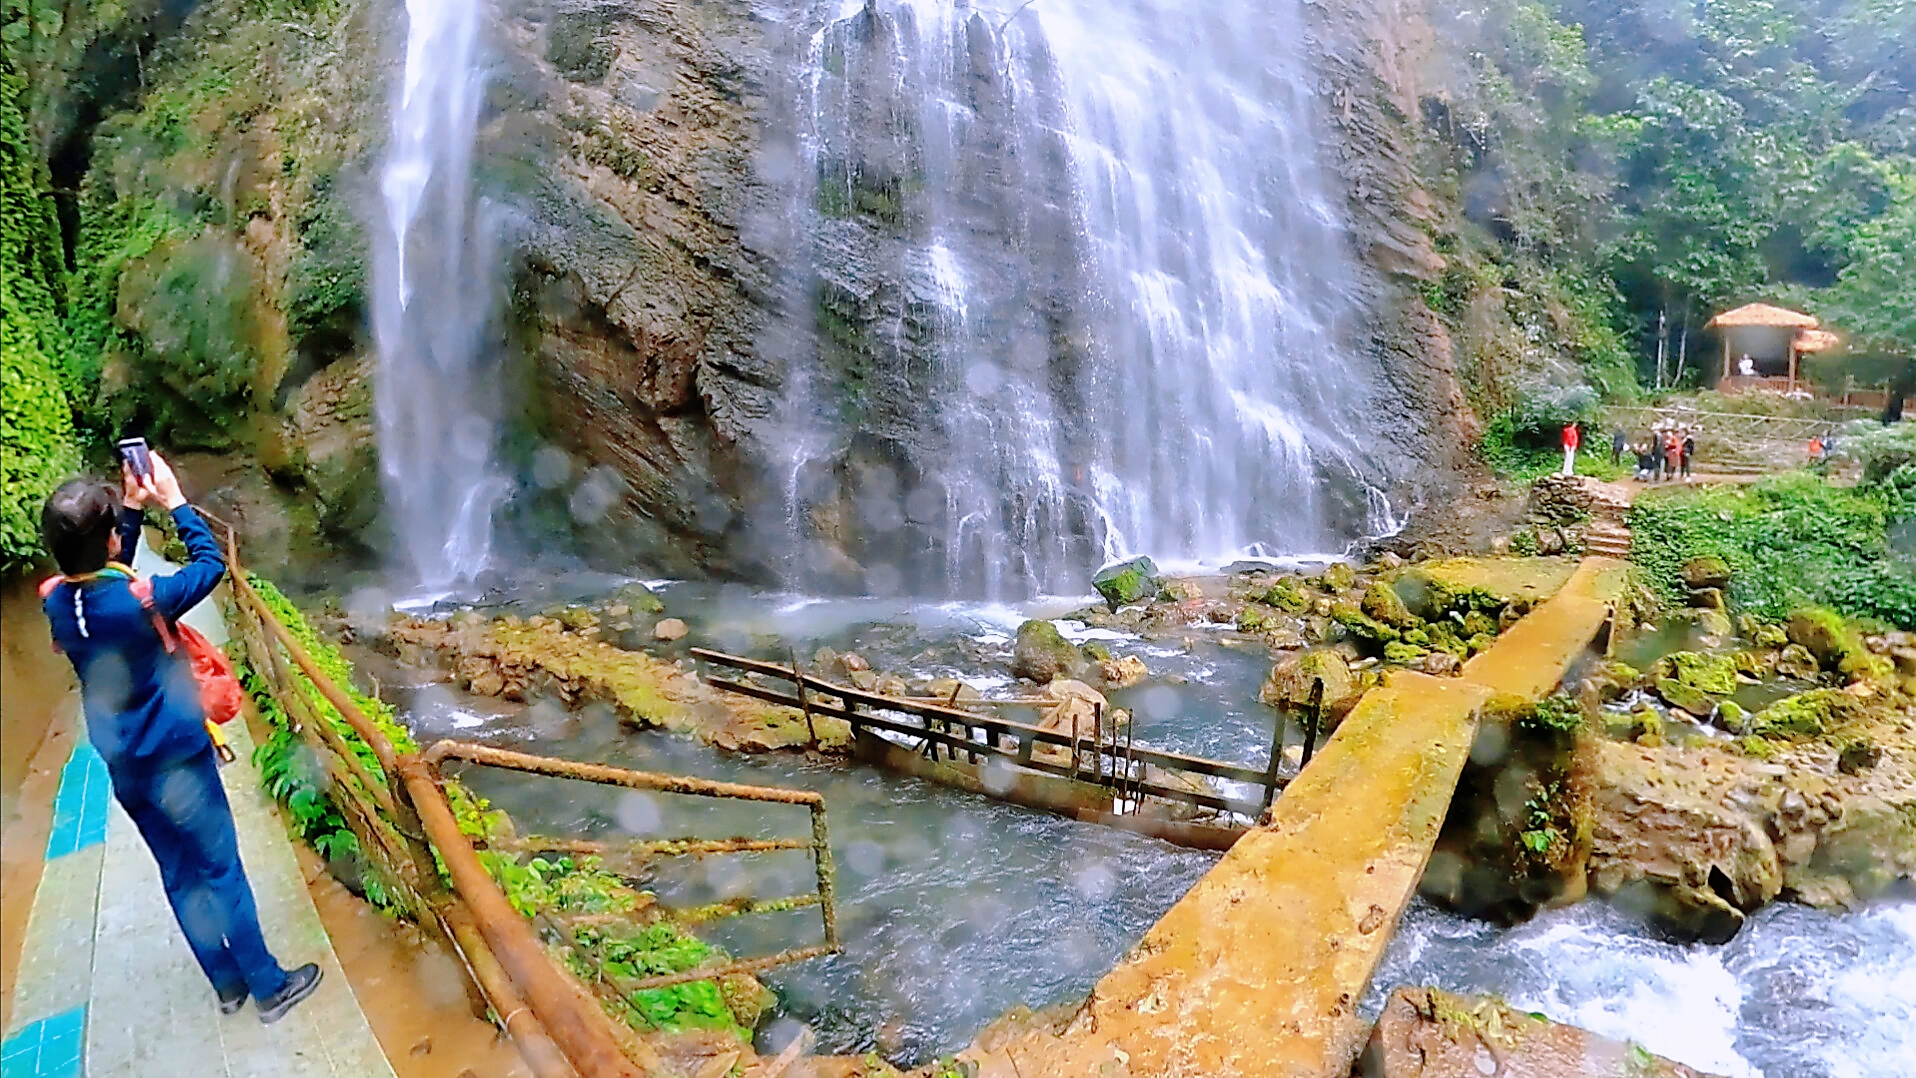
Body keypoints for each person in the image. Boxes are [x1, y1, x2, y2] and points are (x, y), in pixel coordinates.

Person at [40, 451, 322, 1022]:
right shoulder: (142, 601)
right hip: (178, 761)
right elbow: (209, 562)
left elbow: (97, 568)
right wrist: (173, 501)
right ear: (112, 543)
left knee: (178, 873)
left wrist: (132, 513)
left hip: (125, 766)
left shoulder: (57, 604)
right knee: (221, 869)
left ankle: (227, 985)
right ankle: (269, 987)